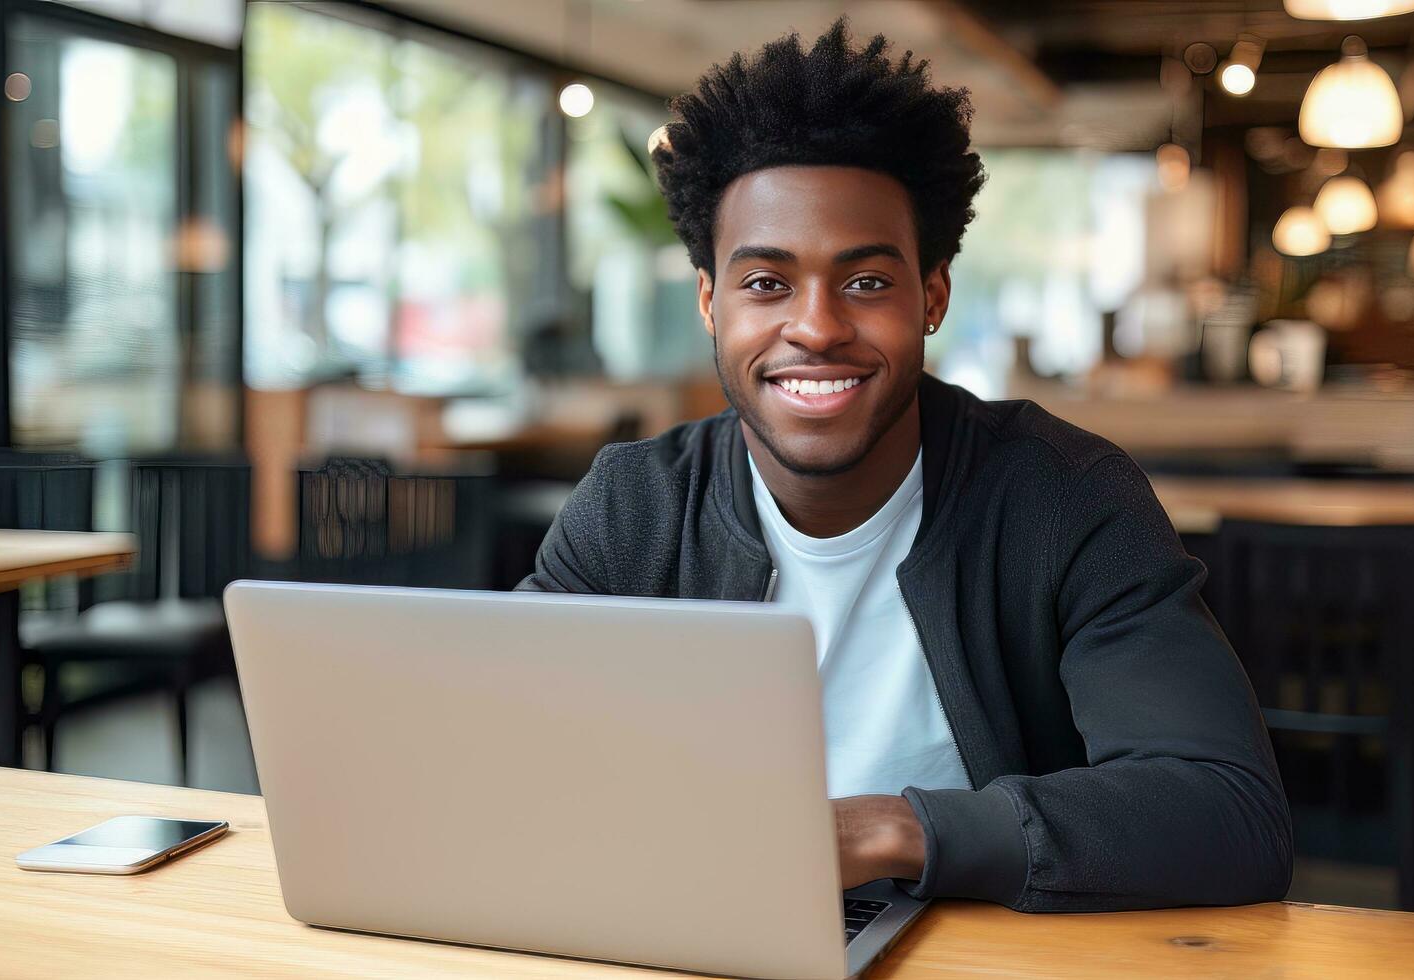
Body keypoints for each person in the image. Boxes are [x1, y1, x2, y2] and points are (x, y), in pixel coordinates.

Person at [519, 19, 1292, 912]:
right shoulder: (636, 505)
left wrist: (886, 831)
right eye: (766, 283)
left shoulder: (1063, 499)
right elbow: (512, 757)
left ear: (933, 295)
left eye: (866, 282)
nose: (815, 327)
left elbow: (1227, 812)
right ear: (710, 303)